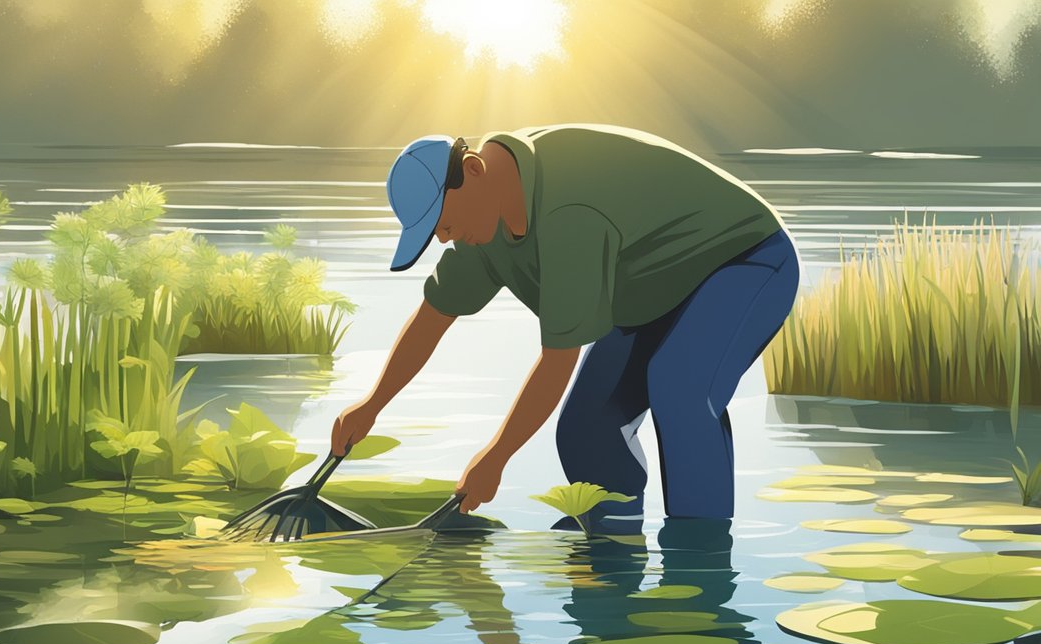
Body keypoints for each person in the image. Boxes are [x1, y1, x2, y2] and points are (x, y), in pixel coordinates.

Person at [331, 124, 800, 534]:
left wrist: (495, 458)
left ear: (472, 170)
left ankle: (701, 559)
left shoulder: (567, 212)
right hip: (652, 288)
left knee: (679, 388)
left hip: (746, 259)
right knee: (585, 429)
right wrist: (370, 405)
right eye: (435, 230)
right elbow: (434, 317)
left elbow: (559, 358)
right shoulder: (483, 222)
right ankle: (612, 538)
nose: (444, 237)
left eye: (442, 221)